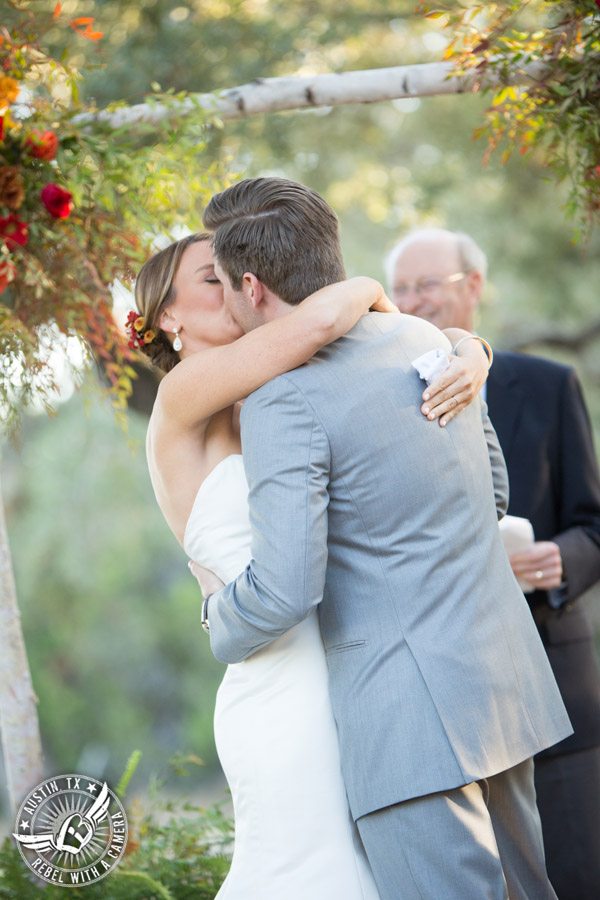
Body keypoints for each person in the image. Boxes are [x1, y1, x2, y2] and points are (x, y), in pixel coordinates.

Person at [192, 177, 572, 900]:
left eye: (219, 284)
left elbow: (285, 586)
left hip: (407, 723)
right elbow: (494, 493)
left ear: (252, 286)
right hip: (500, 685)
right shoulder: (429, 341)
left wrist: (218, 615)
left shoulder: (283, 397)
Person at [133, 229, 488, 900]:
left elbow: (382, 358)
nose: (236, 282)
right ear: (166, 318)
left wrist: (471, 350)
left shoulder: (283, 390)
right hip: (279, 691)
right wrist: (371, 287)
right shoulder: (183, 396)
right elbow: (328, 316)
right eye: (213, 277)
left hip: (357, 678)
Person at [387, 226, 600, 900]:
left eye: (429, 285)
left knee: (578, 874)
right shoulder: (384, 403)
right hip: (447, 706)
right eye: (401, 289)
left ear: (472, 287)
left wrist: (558, 559)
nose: (414, 301)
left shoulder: (548, 386)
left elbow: (594, 523)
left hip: (557, 683)